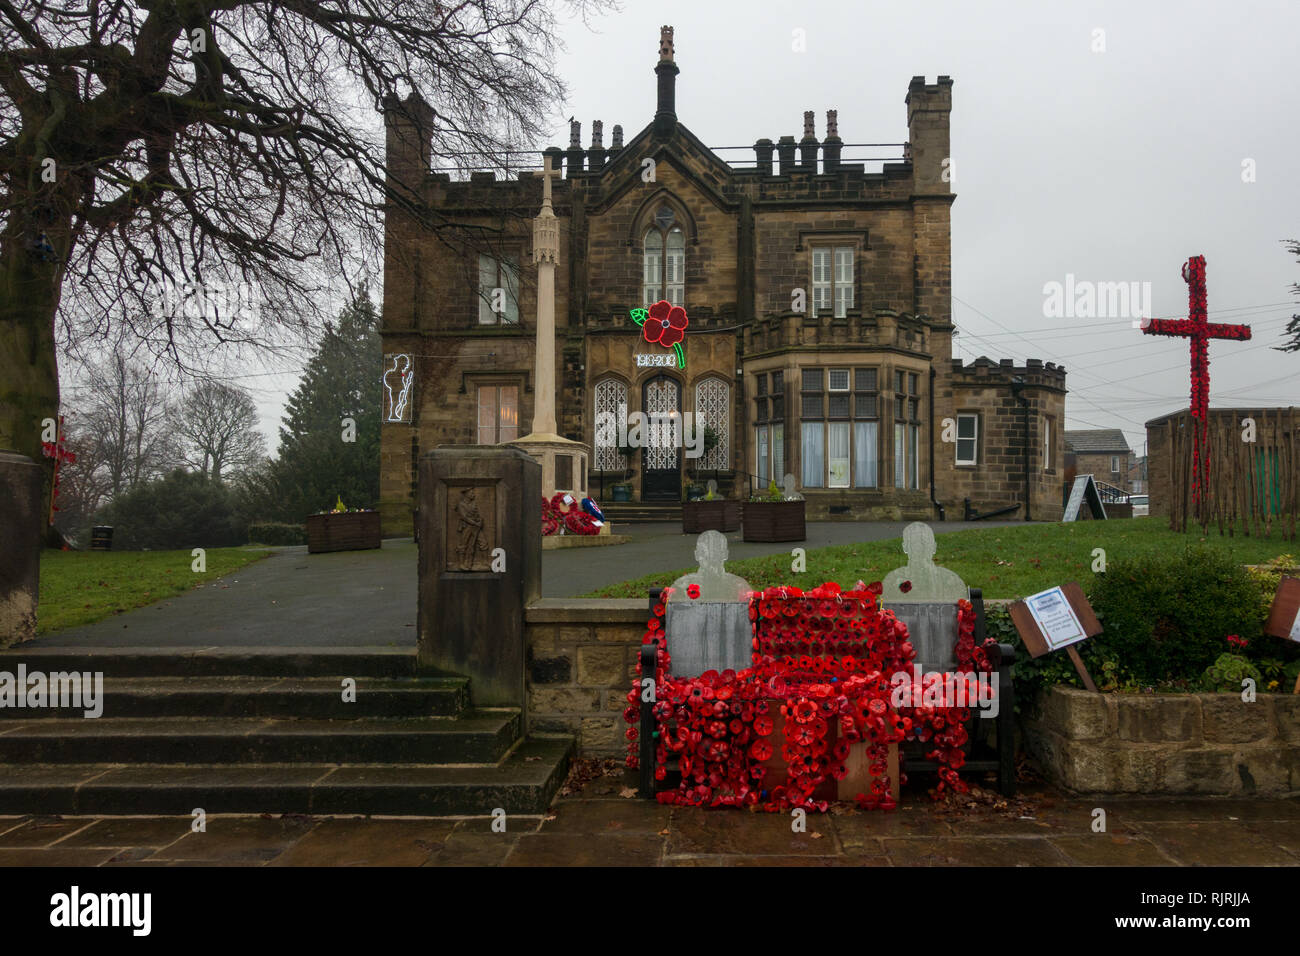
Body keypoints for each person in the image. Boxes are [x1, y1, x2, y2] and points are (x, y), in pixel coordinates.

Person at [881, 522, 967, 602]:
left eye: (925, 543)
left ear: (934, 547)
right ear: (905, 547)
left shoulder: (952, 581)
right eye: (915, 543)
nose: (921, 548)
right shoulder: (892, 581)